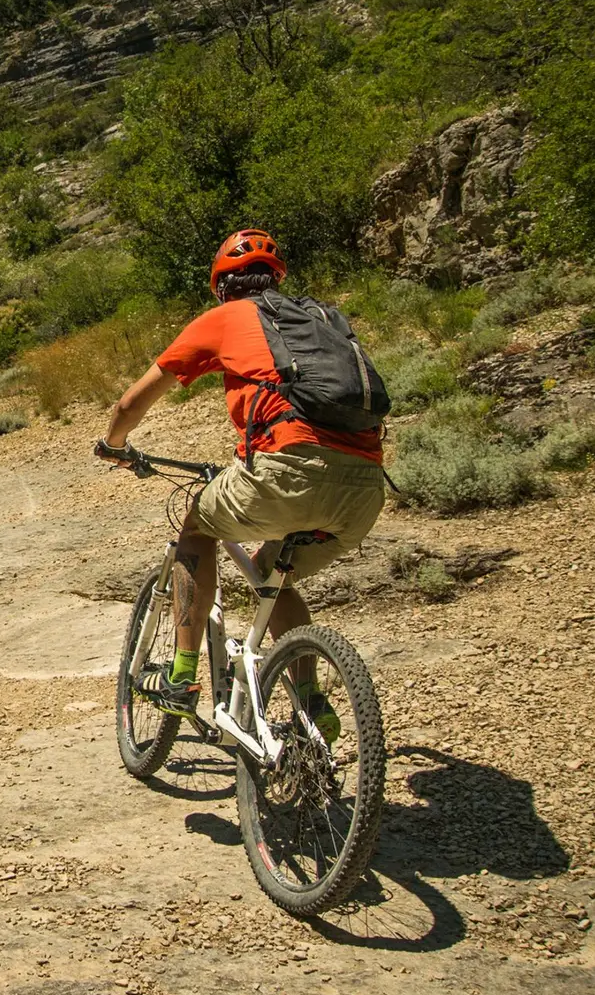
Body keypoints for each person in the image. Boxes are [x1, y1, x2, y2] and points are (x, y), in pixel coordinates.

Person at [96, 230, 386, 739]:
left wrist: (114, 445)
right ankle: (311, 703)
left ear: (222, 286)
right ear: (276, 279)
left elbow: (130, 404)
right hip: (363, 490)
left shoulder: (226, 317)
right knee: (276, 575)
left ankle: (182, 678)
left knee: (197, 531)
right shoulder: (323, 319)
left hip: (285, 470)